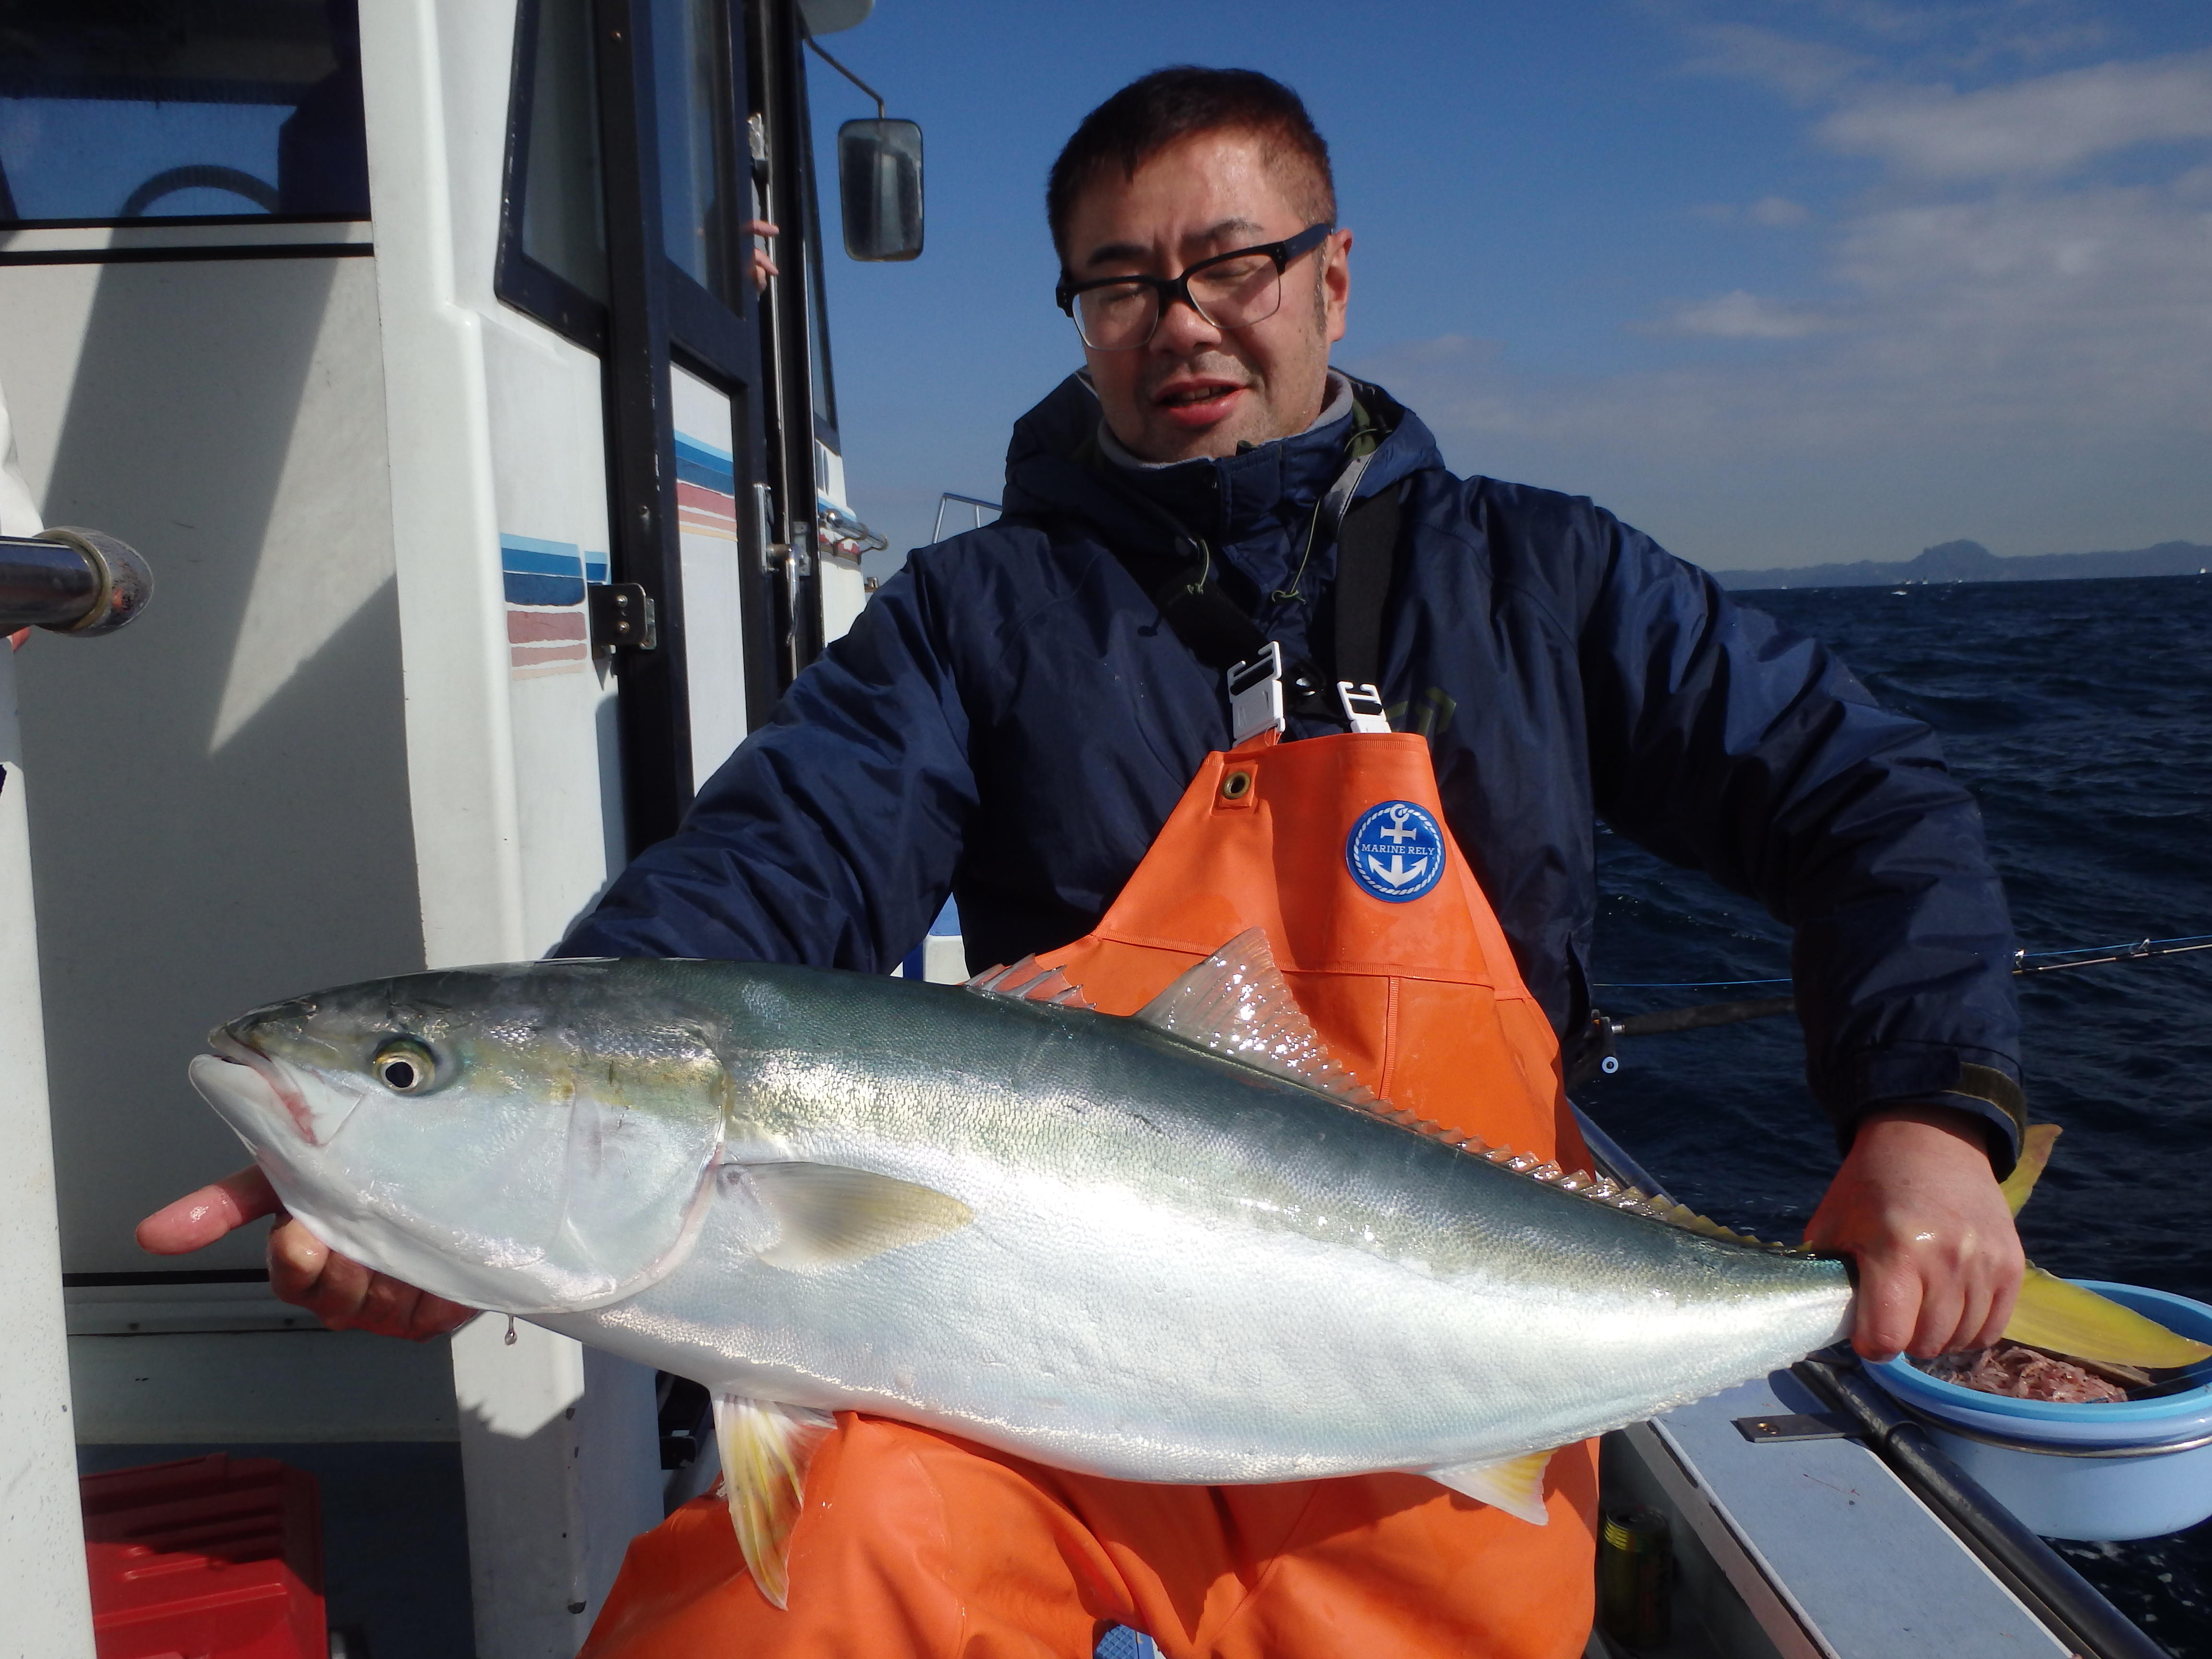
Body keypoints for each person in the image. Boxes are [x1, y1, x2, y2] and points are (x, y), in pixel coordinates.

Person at [142, 66, 2028, 1658]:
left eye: (1231, 263)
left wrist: (1929, 1106)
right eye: (1119, 282)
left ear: (1334, 278)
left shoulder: (1540, 580)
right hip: (1037, 1382)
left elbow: (1858, 794)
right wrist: (433, 1187)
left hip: (1430, 1377)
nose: (1181, 319)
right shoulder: (979, 619)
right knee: (799, 1588)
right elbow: (763, 882)